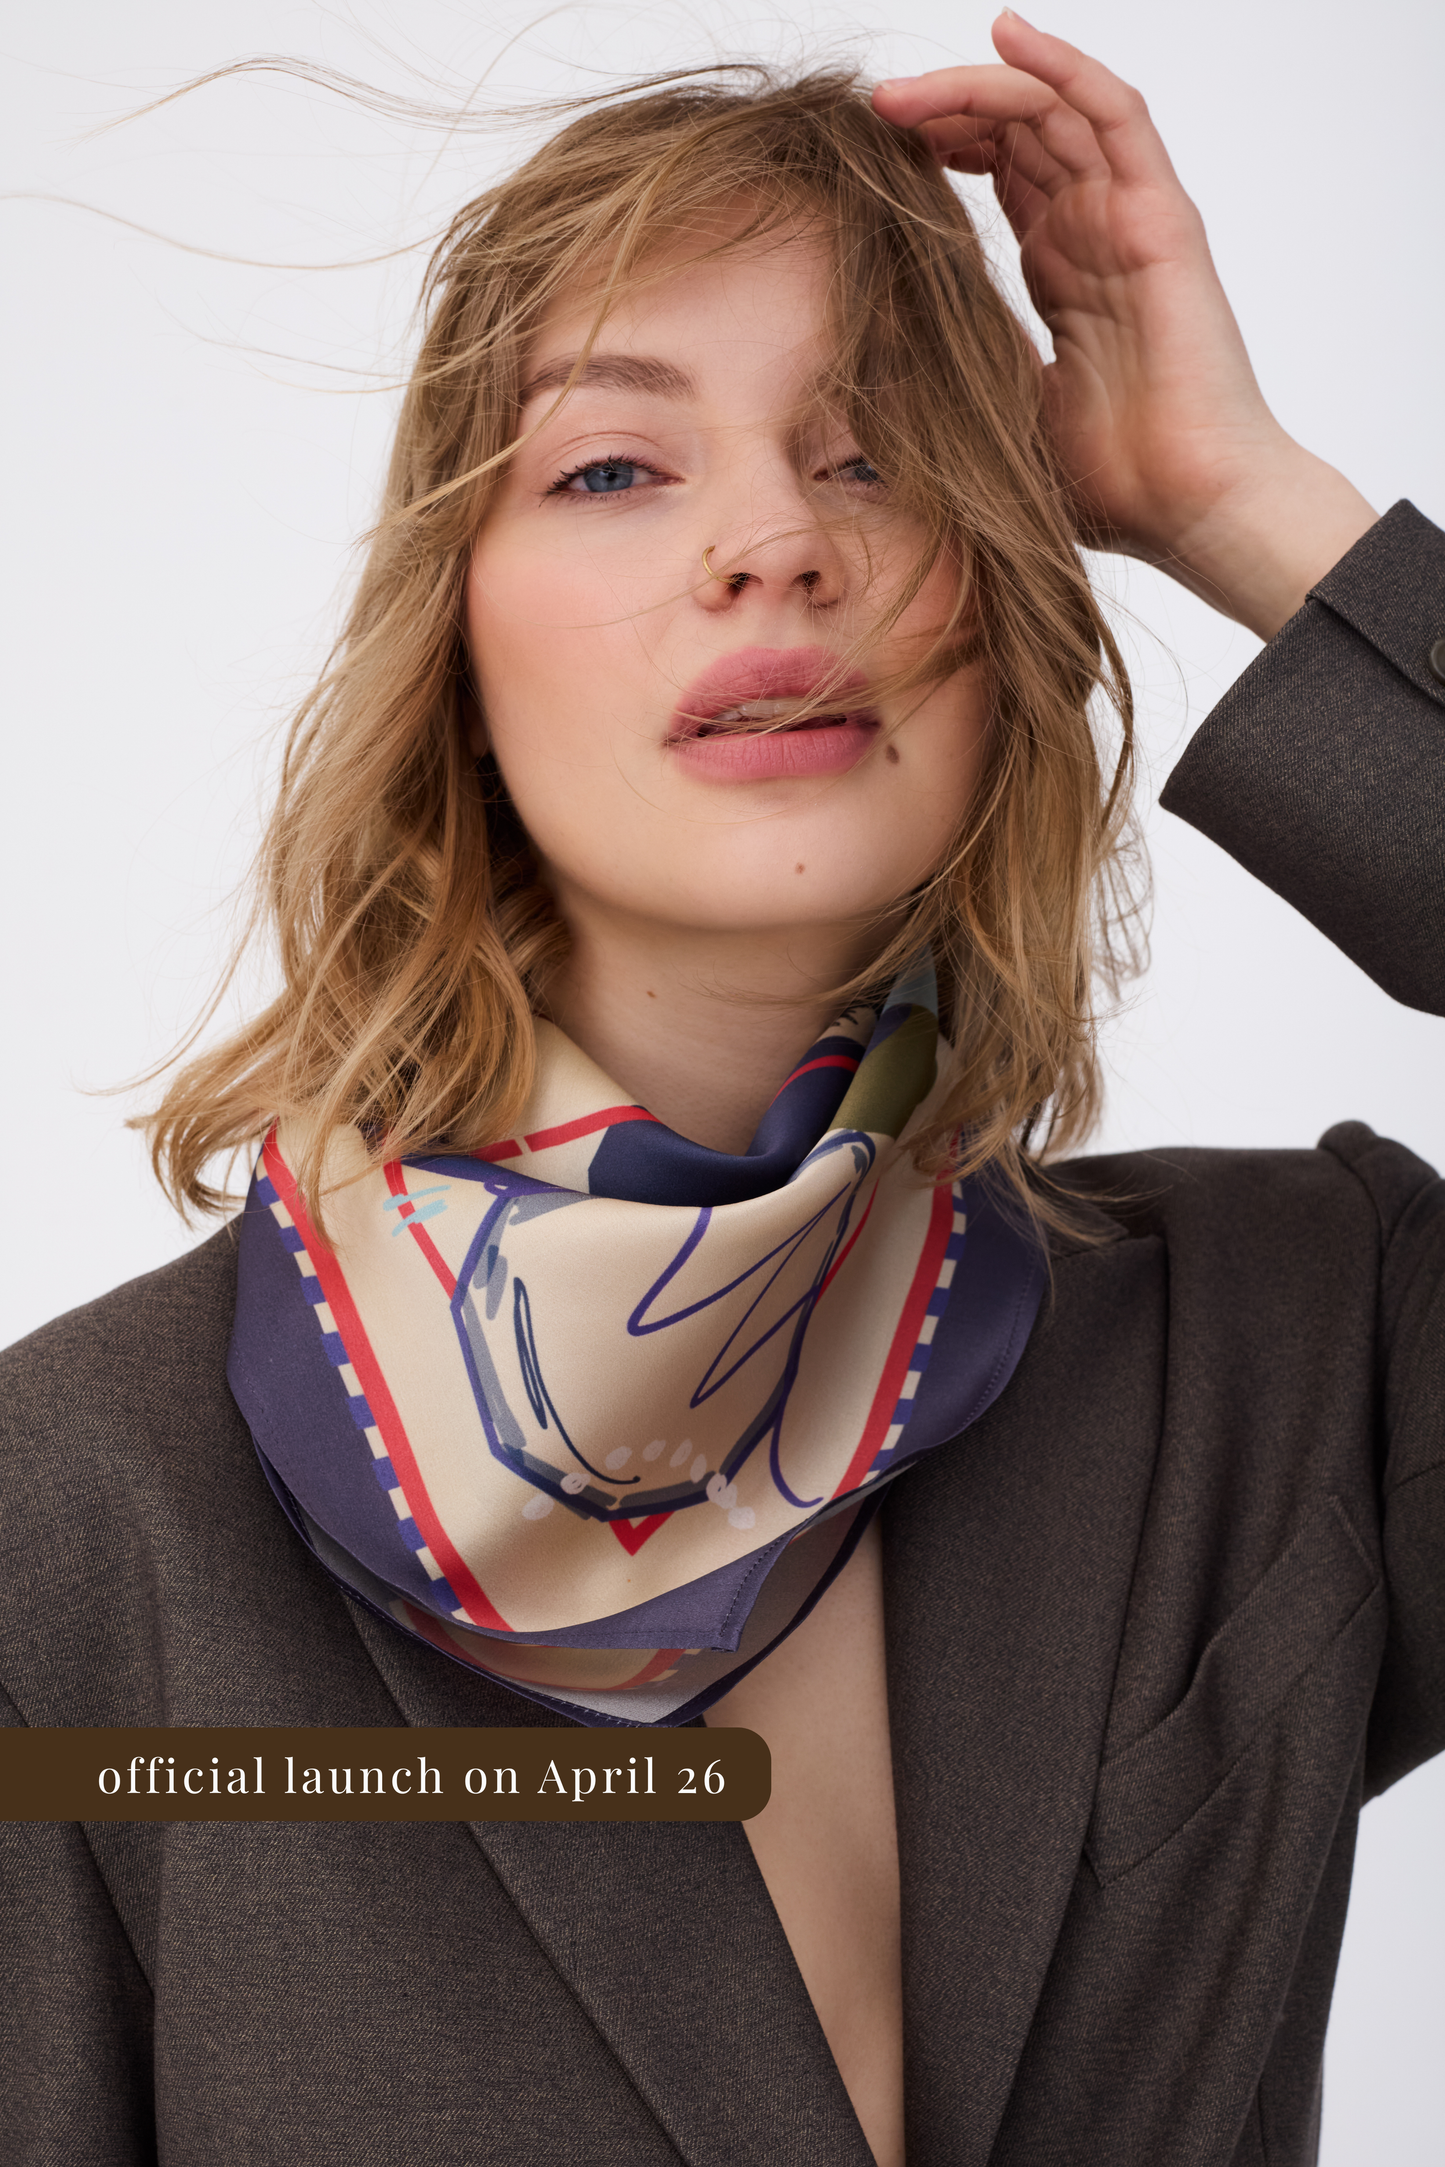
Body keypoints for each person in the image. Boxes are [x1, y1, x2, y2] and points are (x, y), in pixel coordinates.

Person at [2, 15, 1441, 2164]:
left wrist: (1241, 507)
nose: (771, 543)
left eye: (873, 457)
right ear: (456, 654)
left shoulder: (1285, 1339)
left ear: (1006, 603)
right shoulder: (74, 1518)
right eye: (611, 466)